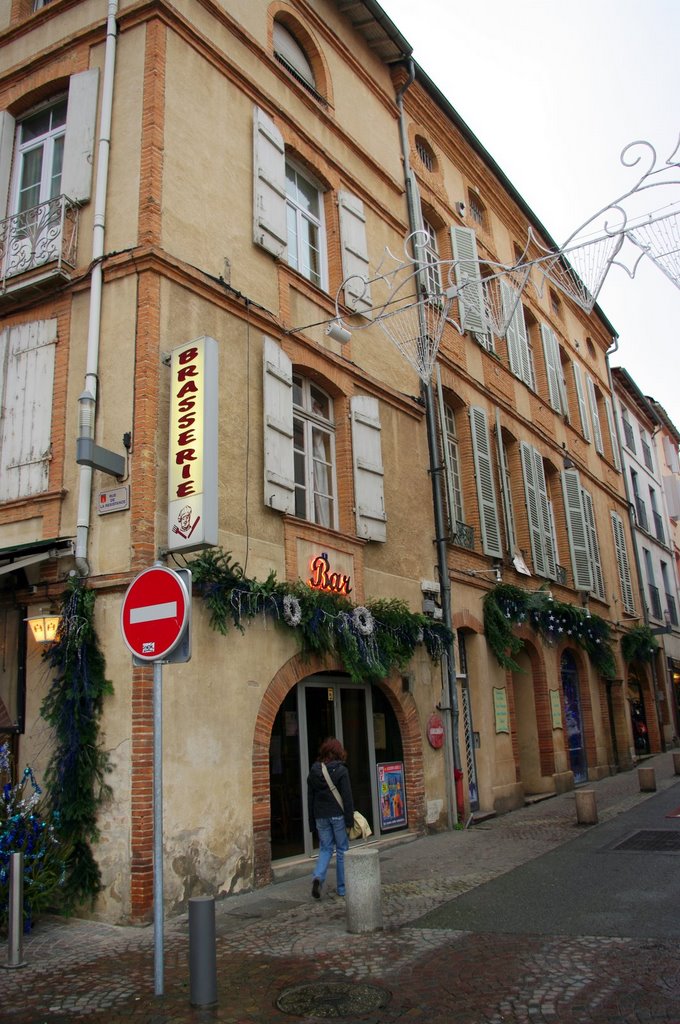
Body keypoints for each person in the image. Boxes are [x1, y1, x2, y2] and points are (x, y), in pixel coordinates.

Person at [307, 737, 354, 899]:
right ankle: (343, 888)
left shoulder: (314, 771)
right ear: (339, 752)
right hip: (337, 815)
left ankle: (318, 877)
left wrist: (311, 822)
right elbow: (347, 797)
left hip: (320, 816)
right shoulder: (342, 771)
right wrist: (350, 819)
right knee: (342, 850)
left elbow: (310, 797)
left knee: (325, 848)